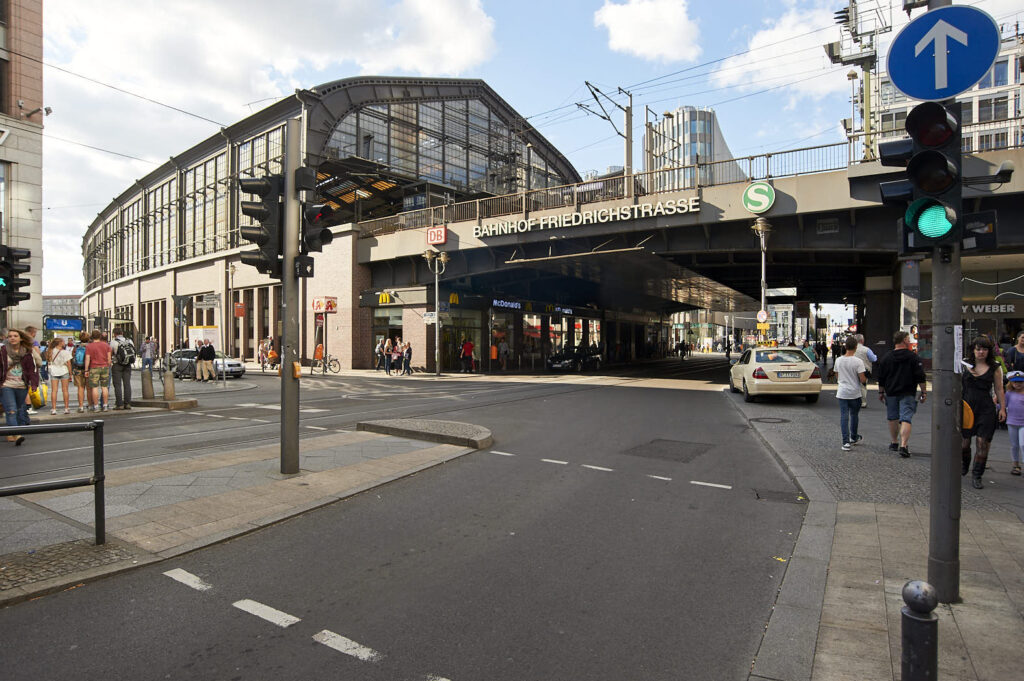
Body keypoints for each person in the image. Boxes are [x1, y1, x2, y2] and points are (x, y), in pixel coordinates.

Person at [961, 336, 1006, 489]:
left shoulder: (995, 367)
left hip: (986, 408)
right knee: (964, 443)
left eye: (984, 349)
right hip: (966, 407)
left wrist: (1003, 408)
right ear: (973, 350)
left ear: (989, 351)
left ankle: (977, 475)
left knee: (982, 443)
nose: (981, 352)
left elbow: (999, 389)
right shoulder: (964, 364)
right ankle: (964, 464)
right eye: (978, 349)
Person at [876, 330, 927, 458]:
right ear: (904, 340)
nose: (909, 341)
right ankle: (904, 445)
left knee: (893, 417)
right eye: (908, 339)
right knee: (906, 418)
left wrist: (881, 392)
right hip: (908, 391)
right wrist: (924, 391)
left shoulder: (887, 357)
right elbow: (920, 376)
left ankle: (894, 442)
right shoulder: (913, 357)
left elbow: (881, 377)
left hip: (891, 391)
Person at [1, 329, 39, 445]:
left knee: (16, 410)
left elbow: (32, 369)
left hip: (22, 385)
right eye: (10, 336)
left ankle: (9, 432)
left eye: (15, 336)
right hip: (6, 385)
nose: (12, 338)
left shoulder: (27, 352)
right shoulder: (3, 351)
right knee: (11, 410)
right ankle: (17, 434)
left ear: (21, 338)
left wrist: (33, 383)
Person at [835, 335, 867, 451]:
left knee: (844, 416)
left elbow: (837, 376)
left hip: (842, 392)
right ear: (855, 347)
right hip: (855, 392)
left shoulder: (838, 360)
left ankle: (845, 442)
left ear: (845, 346)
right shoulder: (858, 362)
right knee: (854, 415)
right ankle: (854, 437)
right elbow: (862, 379)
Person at [84, 329, 112, 412]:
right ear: (100, 336)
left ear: (92, 337)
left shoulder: (89, 346)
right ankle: (105, 405)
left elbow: (87, 359)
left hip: (94, 368)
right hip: (105, 367)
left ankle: (96, 406)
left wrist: (86, 370)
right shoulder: (106, 345)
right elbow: (109, 359)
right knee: (104, 387)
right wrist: (108, 365)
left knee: (94, 388)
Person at [110, 327, 136, 409]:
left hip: (117, 364)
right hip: (128, 364)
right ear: (122, 333)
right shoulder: (129, 341)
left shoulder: (113, 342)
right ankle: (127, 403)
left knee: (117, 385)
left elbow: (111, 353)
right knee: (127, 384)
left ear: (114, 334)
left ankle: (119, 404)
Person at [1005, 371, 1024, 477]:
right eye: (1015, 382)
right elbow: (1004, 405)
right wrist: (996, 404)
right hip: (1012, 422)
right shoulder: (1009, 393)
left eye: (1020, 382)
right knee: (1014, 445)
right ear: (1011, 383)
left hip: (1023, 423)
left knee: (1023, 444)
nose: (1018, 384)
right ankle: (1015, 464)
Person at [47, 338, 72, 415]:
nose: (65, 343)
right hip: (64, 371)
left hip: (54, 371)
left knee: (54, 390)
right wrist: (70, 374)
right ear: (60, 343)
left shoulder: (50, 351)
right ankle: (66, 408)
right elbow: (69, 363)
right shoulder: (65, 352)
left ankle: (54, 409)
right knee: (65, 390)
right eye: (63, 341)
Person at [853, 334, 877, 408]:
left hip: (853, 369)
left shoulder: (852, 349)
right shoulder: (866, 350)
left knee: (853, 385)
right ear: (862, 340)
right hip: (864, 371)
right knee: (862, 386)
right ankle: (863, 402)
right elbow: (874, 359)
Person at [71, 331, 91, 412]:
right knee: (89, 388)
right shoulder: (90, 347)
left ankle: (81, 406)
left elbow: (72, 357)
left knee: (80, 388)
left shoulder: (76, 347)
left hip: (78, 369)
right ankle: (90, 405)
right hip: (88, 369)